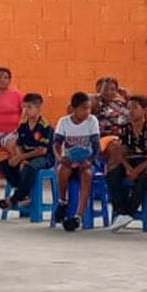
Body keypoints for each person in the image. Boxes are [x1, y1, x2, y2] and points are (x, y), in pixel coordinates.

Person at [107, 96, 147, 232]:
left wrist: (137, 170)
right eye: (129, 108)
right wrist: (128, 167)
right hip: (129, 161)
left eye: (135, 108)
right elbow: (121, 153)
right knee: (112, 174)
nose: (131, 111)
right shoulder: (125, 129)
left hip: (146, 162)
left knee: (145, 177)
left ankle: (129, 211)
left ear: (145, 110)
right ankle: (121, 211)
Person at [53, 92, 101, 232]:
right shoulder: (64, 122)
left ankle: (78, 216)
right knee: (62, 170)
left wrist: (89, 161)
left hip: (87, 160)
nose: (87, 111)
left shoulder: (92, 121)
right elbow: (56, 144)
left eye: (89, 108)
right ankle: (62, 201)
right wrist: (60, 158)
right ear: (73, 109)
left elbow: (96, 146)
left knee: (86, 175)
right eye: (84, 108)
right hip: (69, 160)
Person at [0, 93, 53, 211]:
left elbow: (42, 150)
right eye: (24, 107)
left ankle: (15, 198)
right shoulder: (23, 126)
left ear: (38, 108)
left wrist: (22, 157)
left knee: (29, 168)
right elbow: (19, 145)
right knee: (3, 165)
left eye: (29, 107)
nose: (26, 110)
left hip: (44, 157)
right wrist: (20, 158)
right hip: (26, 156)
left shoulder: (45, 126)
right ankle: (24, 193)